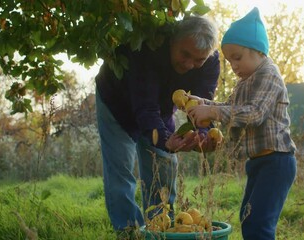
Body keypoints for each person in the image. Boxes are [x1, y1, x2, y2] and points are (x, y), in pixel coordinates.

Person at [94, 15, 220, 236]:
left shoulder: (210, 63)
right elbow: (145, 106)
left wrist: (201, 134)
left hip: (159, 109)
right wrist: (164, 140)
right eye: (185, 54)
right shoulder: (146, 49)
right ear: (173, 41)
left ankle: (160, 230)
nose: (190, 64)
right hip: (117, 102)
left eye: (198, 60)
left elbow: (202, 105)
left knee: (163, 166)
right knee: (121, 168)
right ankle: (129, 232)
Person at [187, 7, 297, 240]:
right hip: (258, 162)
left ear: (258, 50)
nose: (233, 65)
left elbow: (255, 114)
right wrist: (203, 102)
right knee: (248, 220)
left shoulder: (269, 74)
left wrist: (212, 111)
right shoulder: (245, 80)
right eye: (229, 60)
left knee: (259, 224)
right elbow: (230, 107)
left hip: (277, 161)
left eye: (237, 57)